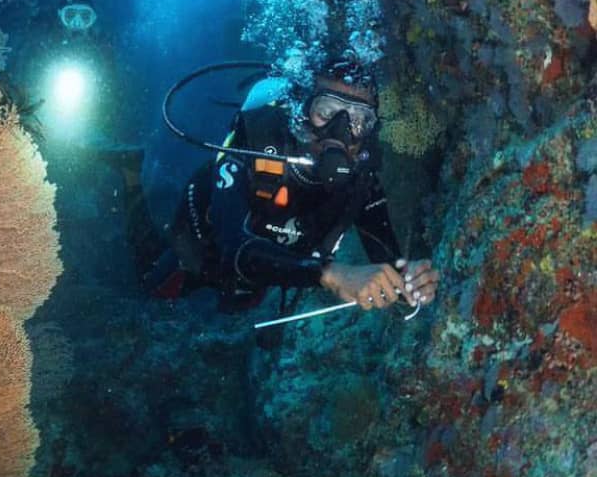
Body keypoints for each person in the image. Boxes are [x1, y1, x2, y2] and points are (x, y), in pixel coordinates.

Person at [123, 54, 440, 315]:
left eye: (358, 120)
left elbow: (388, 265)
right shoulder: (258, 141)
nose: (340, 131)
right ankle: (132, 180)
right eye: (326, 112)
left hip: (269, 271)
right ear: (304, 110)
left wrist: (407, 282)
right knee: (152, 284)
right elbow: (235, 248)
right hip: (203, 247)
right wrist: (331, 274)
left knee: (243, 301)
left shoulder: (361, 179)